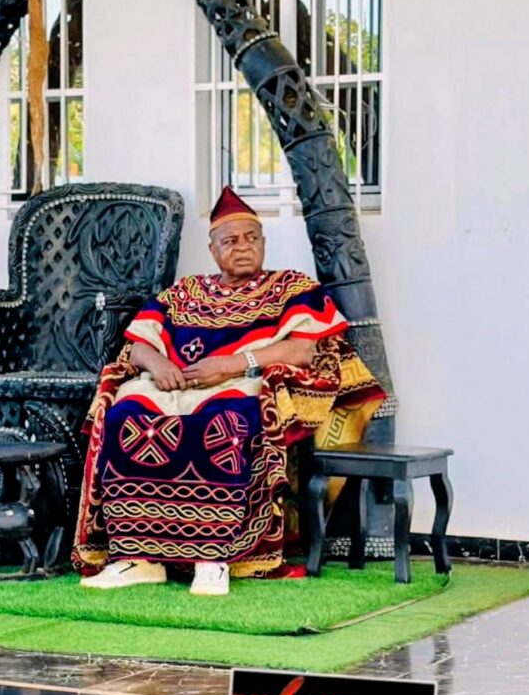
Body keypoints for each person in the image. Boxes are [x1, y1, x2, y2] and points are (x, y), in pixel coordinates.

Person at [74, 189, 384, 594]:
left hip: (243, 382)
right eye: (231, 240)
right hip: (173, 384)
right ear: (213, 250)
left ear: (263, 243)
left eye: (252, 238)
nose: (243, 247)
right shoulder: (185, 291)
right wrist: (159, 365)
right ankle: (138, 558)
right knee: (124, 414)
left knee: (222, 421)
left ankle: (212, 559)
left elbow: (303, 350)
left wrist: (234, 363)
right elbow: (138, 345)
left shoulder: (291, 287)